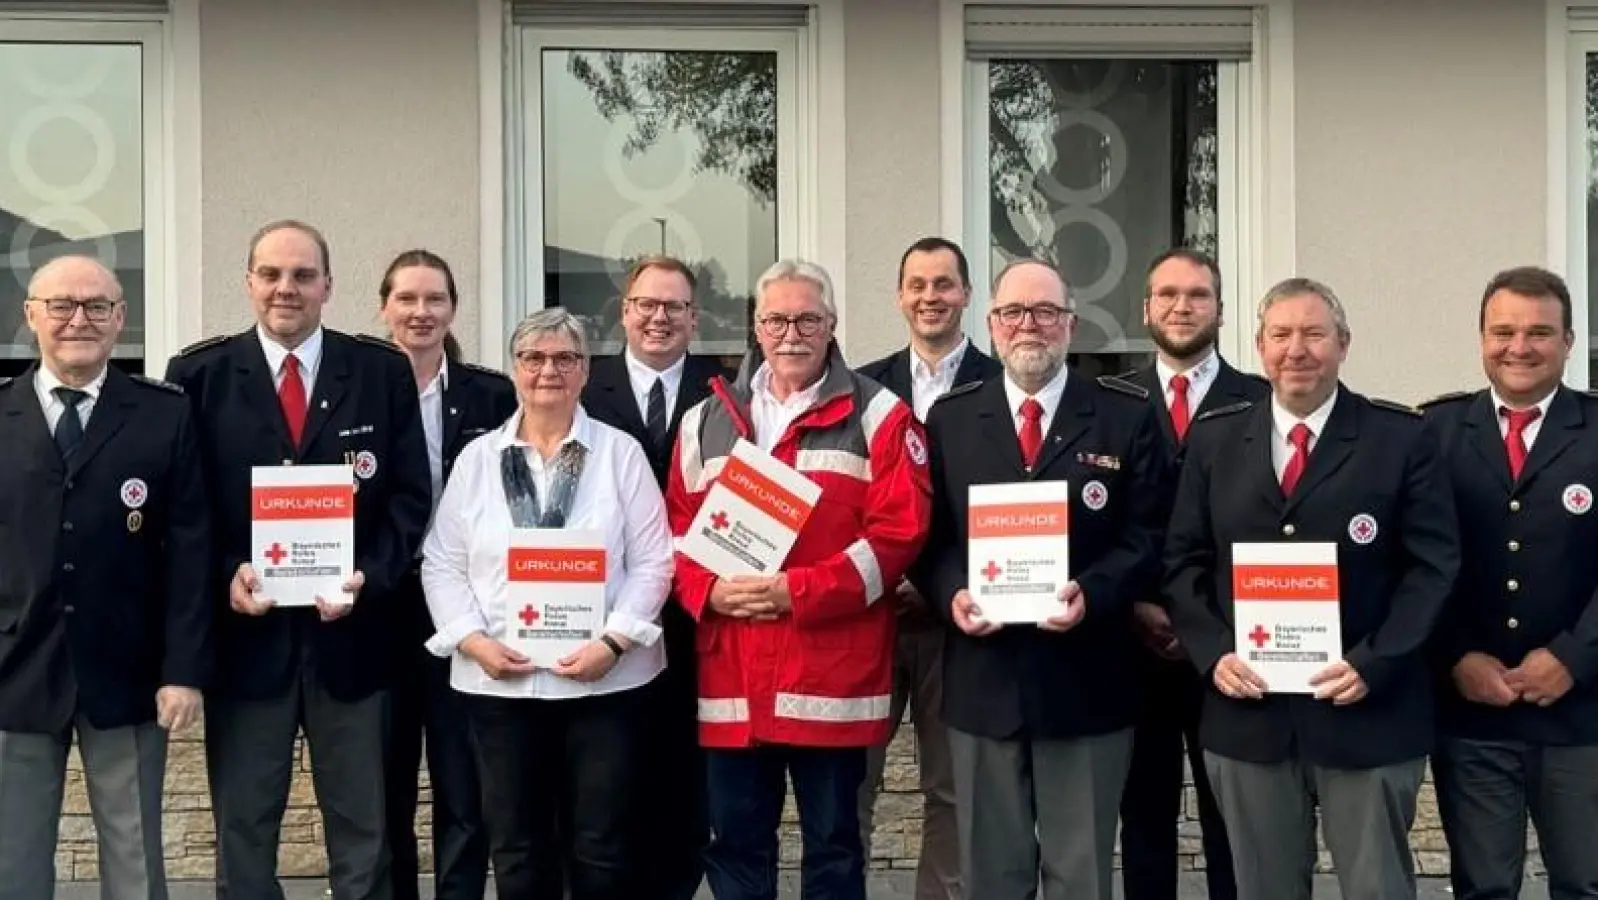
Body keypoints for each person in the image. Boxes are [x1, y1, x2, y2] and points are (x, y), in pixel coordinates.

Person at [1164, 277, 1459, 900]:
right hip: (1250, 715)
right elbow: (1183, 563)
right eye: (1281, 335)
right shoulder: (1216, 440)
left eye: (1313, 334)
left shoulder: (1401, 439)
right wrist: (1215, 652)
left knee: (1376, 886)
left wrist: (1375, 662)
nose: (1296, 349)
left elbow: (1432, 569)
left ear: (1344, 344)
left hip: (1367, 712)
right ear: (1260, 347)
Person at [164, 219, 432, 900]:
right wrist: (227, 570)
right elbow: (185, 510)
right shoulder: (199, 375)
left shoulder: (378, 370)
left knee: (363, 829)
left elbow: (409, 497)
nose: (287, 289)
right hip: (246, 645)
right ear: (249, 282)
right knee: (244, 831)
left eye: (303, 275)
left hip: (355, 639)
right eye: (272, 274)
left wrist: (370, 576)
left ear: (328, 286)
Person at [666, 258, 931, 900]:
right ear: (756, 326)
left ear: (832, 324)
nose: (792, 332)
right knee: (734, 851)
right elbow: (673, 533)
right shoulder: (705, 421)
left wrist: (799, 591)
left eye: (807, 318)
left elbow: (899, 538)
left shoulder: (881, 417)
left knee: (835, 852)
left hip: (830, 678)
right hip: (734, 677)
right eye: (777, 319)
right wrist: (708, 590)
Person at [915, 258, 1171, 900]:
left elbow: (1151, 536)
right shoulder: (950, 418)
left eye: (1046, 313)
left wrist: (1096, 593)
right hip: (982, 679)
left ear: (1070, 324)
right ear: (993, 324)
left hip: (1088, 681)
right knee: (990, 878)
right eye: (1014, 313)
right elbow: (931, 540)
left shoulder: (1126, 415)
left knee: (1080, 874)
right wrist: (953, 596)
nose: (1029, 326)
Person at [421, 307, 673, 900]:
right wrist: (474, 641)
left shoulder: (620, 454)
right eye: (534, 358)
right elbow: (442, 562)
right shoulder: (479, 460)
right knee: (515, 846)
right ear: (515, 370)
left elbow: (655, 561)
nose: (549, 371)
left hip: (605, 686)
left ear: (586, 371)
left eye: (565, 358)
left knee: (602, 846)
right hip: (500, 685)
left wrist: (613, 644)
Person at [0, 255, 209, 900]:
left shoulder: (163, 414)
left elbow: (191, 552)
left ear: (120, 320)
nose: (78, 320)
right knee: (12, 856)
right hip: (16, 670)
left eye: (96, 306)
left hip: (129, 669)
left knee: (134, 854)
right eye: (61, 305)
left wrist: (183, 670)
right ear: (31, 315)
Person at [1422, 266, 1598, 900]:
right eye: (1503, 331)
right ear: (1480, 339)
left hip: (1583, 713)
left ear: (1570, 342)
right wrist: (1455, 656)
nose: (1519, 347)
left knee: (1584, 884)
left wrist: (1573, 659)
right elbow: (1412, 564)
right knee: (1484, 888)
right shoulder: (1432, 434)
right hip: (1472, 709)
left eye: (1539, 333)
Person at [579, 254, 727, 900]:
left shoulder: (729, 392)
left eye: (673, 307)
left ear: (694, 319)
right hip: (602, 616)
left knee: (684, 775)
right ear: (625, 313)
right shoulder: (583, 384)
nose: (658, 317)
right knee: (609, 772)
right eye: (647, 304)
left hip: (698, 616)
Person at [853, 237, 997, 900]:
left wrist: (940, 582)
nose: (931, 297)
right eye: (918, 284)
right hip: (871, 616)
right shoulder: (859, 389)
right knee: (853, 777)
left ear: (967, 294)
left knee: (952, 787)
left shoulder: (1003, 385)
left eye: (945, 284)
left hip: (958, 618)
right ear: (899, 296)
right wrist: (888, 575)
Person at [1117, 248, 1256, 900]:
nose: (1181, 306)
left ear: (1220, 310)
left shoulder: (1259, 400)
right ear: (1145, 309)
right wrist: (1140, 605)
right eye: (1167, 294)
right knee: (1142, 818)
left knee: (1233, 817)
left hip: (1231, 647)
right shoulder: (1111, 404)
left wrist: (1203, 621)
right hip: (1133, 645)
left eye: (1197, 295)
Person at [377, 250, 515, 900]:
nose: (421, 311)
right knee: (388, 784)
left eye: (434, 299)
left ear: (452, 309)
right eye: (407, 298)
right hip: (380, 609)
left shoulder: (491, 394)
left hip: (469, 613)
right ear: (384, 308)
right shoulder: (358, 390)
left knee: (465, 787)